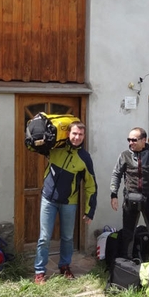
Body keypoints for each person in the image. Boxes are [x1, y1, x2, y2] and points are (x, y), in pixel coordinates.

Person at [34, 121, 97, 284]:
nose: (77, 137)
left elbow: (91, 185)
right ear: (69, 134)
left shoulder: (85, 158)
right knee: (44, 237)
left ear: (84, 136)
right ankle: (40, 271)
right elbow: (34, 146)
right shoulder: (55, 148)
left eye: (80, 135)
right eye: (74, 133)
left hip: (69, 202)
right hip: (48, 199)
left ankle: (64, 266)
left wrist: (90, 210)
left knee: (67, 237)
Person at [110, 127, 149, 260]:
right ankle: (126, 263)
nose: (131, 142)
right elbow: (116, 175)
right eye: (129, 140)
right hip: (130, 200)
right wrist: (113, 194)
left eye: (134, 140)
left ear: (143, 140)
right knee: (128, 233)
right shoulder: (124, 156)